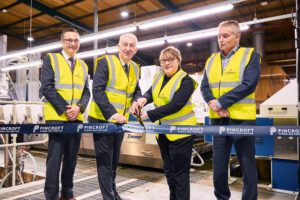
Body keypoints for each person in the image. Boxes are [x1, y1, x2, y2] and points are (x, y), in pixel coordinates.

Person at [201, 20, 260, 200]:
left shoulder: (250, 55)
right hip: (218, 119)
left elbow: (248, 85)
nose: (221, 39)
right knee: (218, 165)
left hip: (242, 119)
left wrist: (220, 103)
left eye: (225, 35)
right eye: (219, 36)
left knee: (247, 164)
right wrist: (213, 103)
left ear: (237, 36)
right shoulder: (211, 60)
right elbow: (204, 87)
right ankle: (221, 198)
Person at [133, 46, 198, 200]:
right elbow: (151, 92)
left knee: (180, 174)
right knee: (169, 171)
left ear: (178, 61)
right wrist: (143, 98)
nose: (167, 63)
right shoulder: (159, 77)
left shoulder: (186, 81)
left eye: (171, 59)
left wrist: (149, 114)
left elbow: (176, 105)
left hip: (181, 134)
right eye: (163, 60)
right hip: (163, 133)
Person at [88, 33, 141, 200]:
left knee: (113, 161)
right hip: (102, 119)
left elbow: (135, 90)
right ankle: (108, 197)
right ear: (118, 46)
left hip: (120, 122)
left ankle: (113, 192)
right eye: (124, 44)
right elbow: (97, 91)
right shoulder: (105, 62)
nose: (128, 48)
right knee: (105, 162)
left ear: (136, 49)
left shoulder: (135, 67)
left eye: (131, 45)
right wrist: (112, 113)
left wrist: (136, 101)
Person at [41, 28, 90, 200]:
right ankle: (52, 196)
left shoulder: (83, 65)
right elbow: (46, 87)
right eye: (69, 40)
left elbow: (86, 92)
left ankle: (67, 193)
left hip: (76, 118)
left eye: (76, 40)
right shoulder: (51, 59)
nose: (72, 43)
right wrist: (66, 108)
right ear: (62, 41)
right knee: (54, 160)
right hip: (57, 117)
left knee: (71, 159)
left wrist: (79, 108)